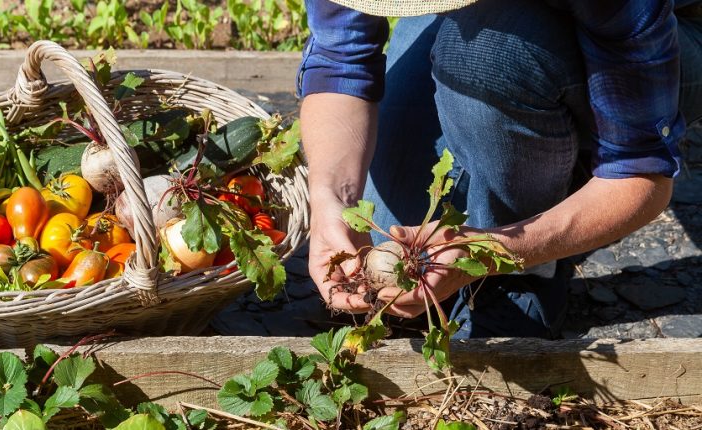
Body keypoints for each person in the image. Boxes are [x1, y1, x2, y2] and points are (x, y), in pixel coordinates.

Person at [298, 0, 702, 338]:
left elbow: (640, 174)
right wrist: (331, 197)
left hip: (663, 30)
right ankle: (530, 151)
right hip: (471, 18)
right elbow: (340, 59)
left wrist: (492, 249)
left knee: (487, 57)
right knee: (385, 224)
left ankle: (529, 268)